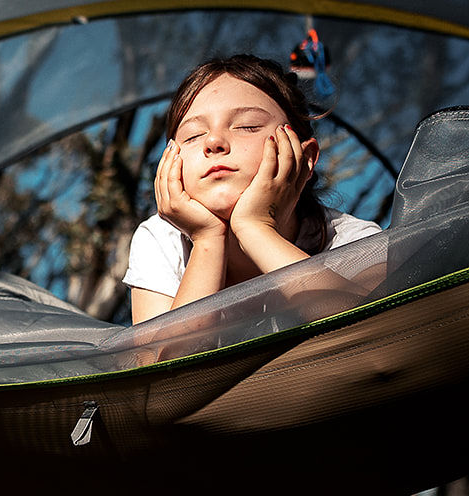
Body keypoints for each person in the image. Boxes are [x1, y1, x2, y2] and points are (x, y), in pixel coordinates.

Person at [125, 54, 379, 324]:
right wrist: (207, 241)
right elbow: (162, 363)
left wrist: (255, 228)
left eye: (248, 126)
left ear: (305, 159)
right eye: (193, 135)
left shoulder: (353, 241)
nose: (213, 141)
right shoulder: (161, 240)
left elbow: (373, 337)